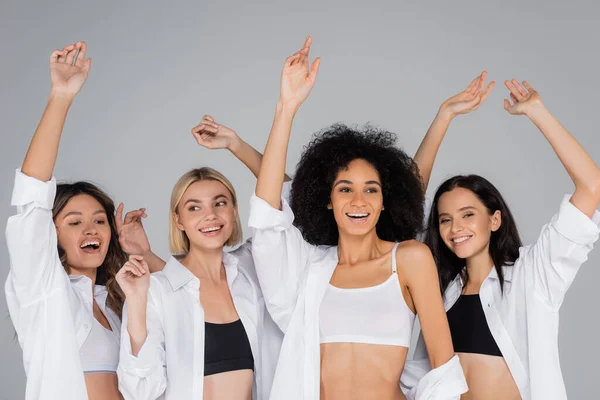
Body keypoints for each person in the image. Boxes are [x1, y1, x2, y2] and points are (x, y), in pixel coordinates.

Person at [248, 36, 467, 400]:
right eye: (345, 188)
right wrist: (286, 107)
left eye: (371, 189)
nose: (359, 200)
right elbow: (268, 218)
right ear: (328, 201)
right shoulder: (311, 270)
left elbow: (443, 371)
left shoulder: (409, 259)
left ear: (385, 201)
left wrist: (443, 118)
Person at [412, 76, 600, 399]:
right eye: (446, 219)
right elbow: (407, 203)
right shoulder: (440, 288)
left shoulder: (533, 274)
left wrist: (537, 112)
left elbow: (591, 186)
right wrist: (444, 115)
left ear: (494, 219)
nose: (456, 228)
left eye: (468, 214)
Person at [5, 41, 156, 400]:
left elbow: (148, 388)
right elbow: (31, 202)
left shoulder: (116, 305)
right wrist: (61, 97)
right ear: (51, 235)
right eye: (73, 222)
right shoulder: (43, 290)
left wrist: (137, 302)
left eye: (99, 221)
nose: (90, 229)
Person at [117, 115, 290, 400]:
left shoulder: (253, 268)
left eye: (220, 203)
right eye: (194, 208)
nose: (210, 215)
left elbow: (289, 198)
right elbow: (140, 390)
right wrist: (136, 302)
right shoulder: (155, 291)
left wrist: (236, 145)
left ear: (235, 211)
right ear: (179, 220)